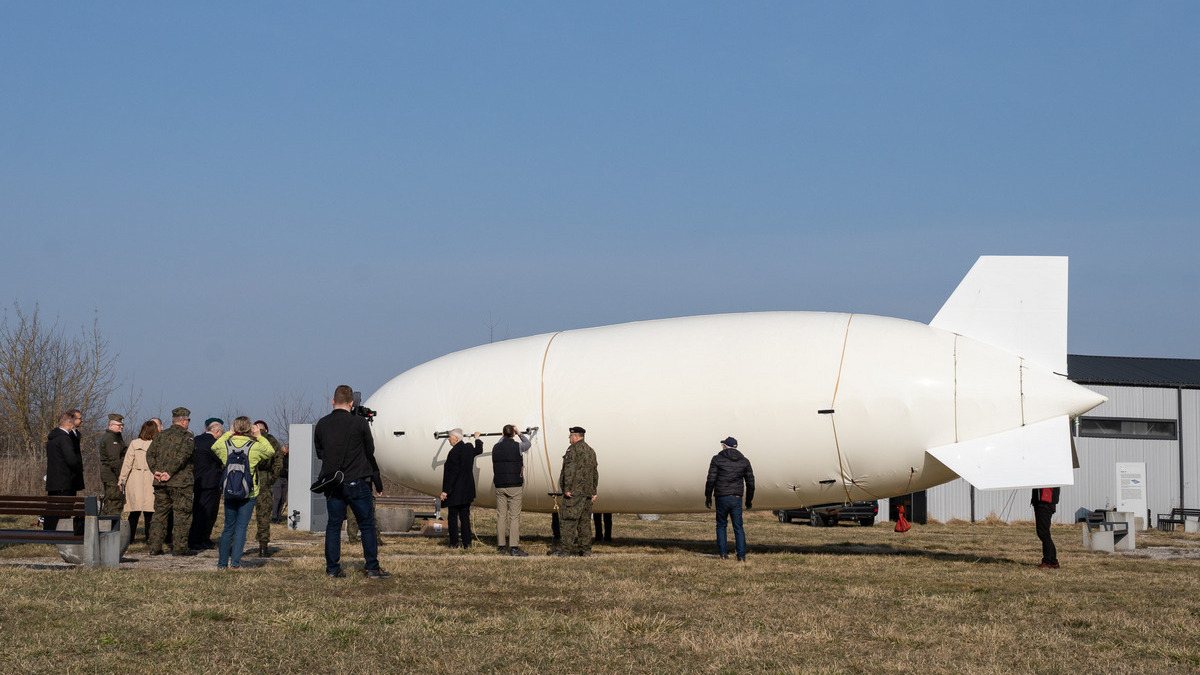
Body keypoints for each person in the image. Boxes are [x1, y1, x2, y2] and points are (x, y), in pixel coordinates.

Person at [314, 385, 389, 579]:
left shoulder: (322, 424)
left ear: (332, 401)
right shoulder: (360, 423)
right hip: (357, 480)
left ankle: (332, 569)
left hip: (333, 482)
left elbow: (320, 452)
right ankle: (372, 567)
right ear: (351, 402)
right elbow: (369, 450)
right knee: (366, 525)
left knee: (334, 525)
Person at [212, 416, 276, 570]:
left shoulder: (225, 444)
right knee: (241, 528)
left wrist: (229, 433)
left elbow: (214, 447)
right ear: (249, 428)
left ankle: (221, 564)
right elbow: (270, 451)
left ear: (234, 427)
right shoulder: (254, 446)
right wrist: (259, 435)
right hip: (249, 492)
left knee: (228, 527)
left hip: (229, 490)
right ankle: (235, 563)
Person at [146, 407, 197, 556]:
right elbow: (183, 456)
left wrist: (155, 471)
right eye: (188, 420)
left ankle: (155, 547)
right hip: (181, 483)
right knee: (182, 515)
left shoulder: (160, 436)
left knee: (159, 514)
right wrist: (169, 473)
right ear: (182, 420)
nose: (188, 423)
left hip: (160, 482)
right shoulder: (187, 437)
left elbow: (150, 454)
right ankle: (180, 548)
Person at [549, 426, 597, 557]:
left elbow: (569, 470)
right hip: (587, 493)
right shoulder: (591, 451)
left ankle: (565, 550)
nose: (569, 438)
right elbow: (594, 472)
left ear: (576, 436)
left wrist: (567, 489)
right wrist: (593, 491)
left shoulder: (573, 450)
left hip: (575, 492)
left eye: (570, 436)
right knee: (584, 523)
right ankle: (585, 550)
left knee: (568, 521)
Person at [705, 436, 755, 561]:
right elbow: (750, 483)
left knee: (721, 525)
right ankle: (741, 556)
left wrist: (708, 497)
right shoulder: (744, 461)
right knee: (738, 527)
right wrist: (749, 500)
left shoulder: (717, 459)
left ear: (725, 446)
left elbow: (711, 480)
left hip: (721, 496)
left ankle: (723, 554)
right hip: (737, 497)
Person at [440, 429, 483, 549]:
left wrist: (445, 491)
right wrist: (477, 438)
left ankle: (454, 543)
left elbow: (452, 474)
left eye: (450, 437)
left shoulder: (454, 453)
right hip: (467, 490)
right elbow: (478, 450)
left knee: (453, 517)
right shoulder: (469, 449)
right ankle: (467, 543)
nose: (448, 439)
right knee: (465, 517)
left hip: (455, 491)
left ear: (456, 439)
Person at [491, 424, 530, 556]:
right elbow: (528, 443)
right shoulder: (518, 446)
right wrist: (520, 433)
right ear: (513, 434)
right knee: (514, 516)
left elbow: (500, 443)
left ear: (502, 434)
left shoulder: (496, 447)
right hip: (515, 485)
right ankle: (514, 547)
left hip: (499, 485)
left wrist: (503, 437)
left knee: (501, 516)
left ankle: (501, 546)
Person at [44, 410, 85, 533]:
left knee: (51, 510)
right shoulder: (64, 438)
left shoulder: (53, 438)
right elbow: (71, 459)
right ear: (68, 422)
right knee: (64, 511)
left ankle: (49, 533)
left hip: (53, 480)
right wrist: (76, 470)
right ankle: (60, 534)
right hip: (65, 481)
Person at [119, 420, 158, 542]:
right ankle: (149, 538)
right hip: (151, 477)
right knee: (149, 512)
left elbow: (127, 463)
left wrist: (122, 480)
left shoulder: (134, 443)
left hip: (135, 477)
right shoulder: (157, 444)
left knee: (134, 511)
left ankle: (129, 539)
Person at [188, 418, 224, 550]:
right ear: (217, 432)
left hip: (196, 480)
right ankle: (198, 539)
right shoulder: (214, 444)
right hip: (210, 482)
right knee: (207, 513)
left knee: (197, 510)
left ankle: (198, 538)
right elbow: (222, 459)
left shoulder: (196, 440)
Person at [252, 420, 283, 557]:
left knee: (239, 512)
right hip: (264, 478)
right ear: (266, 429)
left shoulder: (247, 438)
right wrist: (272, 478)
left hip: (246, 476)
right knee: (263, 514)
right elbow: (278, 461)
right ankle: (263, 547)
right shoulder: (271, 440)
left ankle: (232, 546)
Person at [98, 414, 127, 516]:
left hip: (111, 473)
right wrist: (121, 476)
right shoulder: (111, 438)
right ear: (111, 425)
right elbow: (114, 460)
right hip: (111, 473)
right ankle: (110, 524)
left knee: (111, 499)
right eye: (119, 425)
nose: (121, 427)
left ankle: (106, 522)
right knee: (114, 499)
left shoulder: (117, 437)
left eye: (122, 425)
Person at [1031, 487, 1061, 569]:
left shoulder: (1050, 476)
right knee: (1044, 533)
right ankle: (1053, 561)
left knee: (1043, 533)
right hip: (1041, 503)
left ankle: (1048, 561)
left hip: (1045, 503)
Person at [271, 443, 290, 523]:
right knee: (277, 497)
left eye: (287, 452)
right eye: (284, 452)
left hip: (286, 479)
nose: (285, 454)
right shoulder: (277, 455)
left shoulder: (289, 457)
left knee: (283, 499)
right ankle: (274, 517)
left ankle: (279, 516)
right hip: (278, 478)